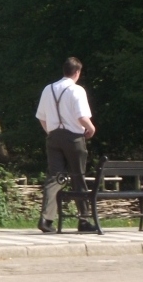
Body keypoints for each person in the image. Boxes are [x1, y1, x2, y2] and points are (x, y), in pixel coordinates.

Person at [35, 57, 97, 233]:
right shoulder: (77, 90)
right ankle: (83, 220)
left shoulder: (48, 89)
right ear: (77, 72)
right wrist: (91, 128)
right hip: (73, 138)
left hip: (54, 137)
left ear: (64, 70)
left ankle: (46, 219)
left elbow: (41, 117)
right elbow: (81, 117)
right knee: (78, 177)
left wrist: (50, 132)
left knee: (55, 178)